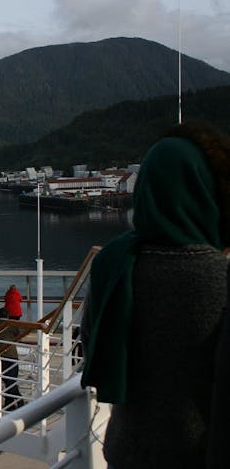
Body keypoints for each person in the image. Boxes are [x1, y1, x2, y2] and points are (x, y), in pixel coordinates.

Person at [80, 122, 230, 468]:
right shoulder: (220, 278)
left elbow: (91, 344)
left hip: (127, 450)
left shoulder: (114, 266)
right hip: (196, 455)